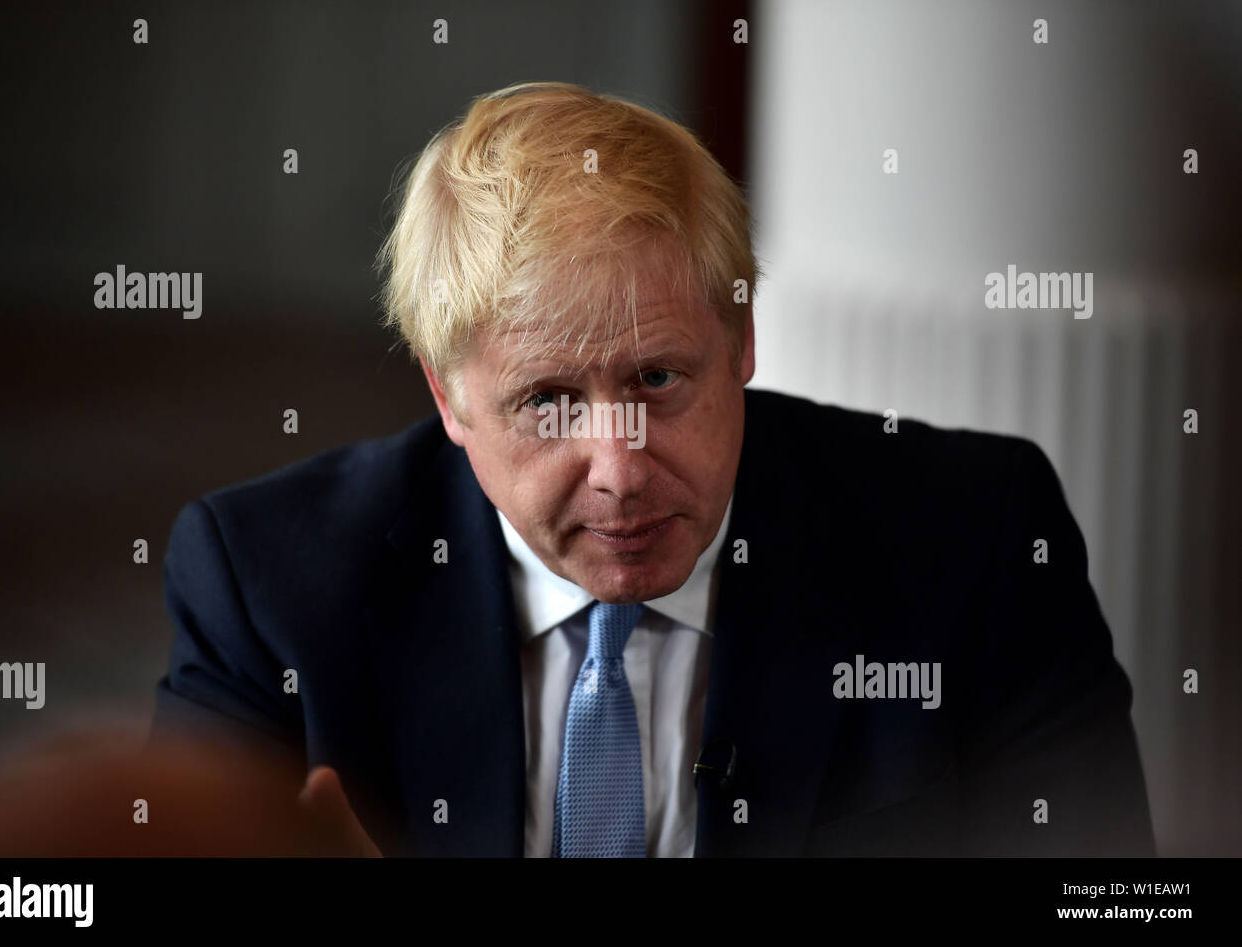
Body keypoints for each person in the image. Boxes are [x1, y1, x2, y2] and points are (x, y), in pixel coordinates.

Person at [150, 81, 1155, 857]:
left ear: (745, 337)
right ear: (448, 395)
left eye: (660, 376)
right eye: (548, 401)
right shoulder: (267, 583)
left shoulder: (975, 542)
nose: (620, 471)